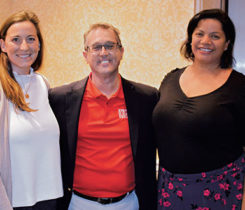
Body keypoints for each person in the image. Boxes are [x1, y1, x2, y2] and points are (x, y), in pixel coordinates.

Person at [49, 23, 158, 210]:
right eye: (96, 47)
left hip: (129, 203)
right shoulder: (60, 99)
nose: (103, 52)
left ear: (121, 51)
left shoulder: (147, 98)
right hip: (77, 204)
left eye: (110, 46)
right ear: (85, 55)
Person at [152, 8, 245, 209]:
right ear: (190, 39)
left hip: (219, 191)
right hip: (169, 189)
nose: (206, 41)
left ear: (227, 44)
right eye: (199, 34)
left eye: (215, 36)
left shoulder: (240, 86)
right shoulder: (170, 79)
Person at [0, 11, 63, 210]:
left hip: (50, 197)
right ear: (3, 45)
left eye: (31, 39)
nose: (24, 47)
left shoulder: (44, 84)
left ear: (39, 44)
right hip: (14, 202)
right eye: (16, 40)